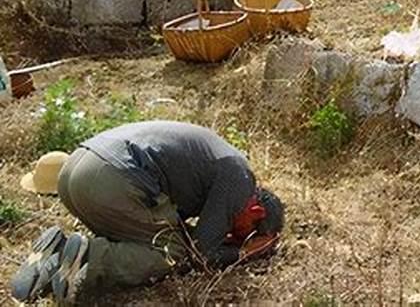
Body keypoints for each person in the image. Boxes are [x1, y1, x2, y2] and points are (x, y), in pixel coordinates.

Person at [10, 120, 284, 305]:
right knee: (173, 252)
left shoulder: (224, 161)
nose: (233, 235)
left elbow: (187, 231)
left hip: (75, 169)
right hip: (111, 179)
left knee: (157, 238)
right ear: (256, 210)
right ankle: (87, 258)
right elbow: (201, 254)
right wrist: (244, 253)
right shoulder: (239, 178)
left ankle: (57, 254)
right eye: (243, 233)